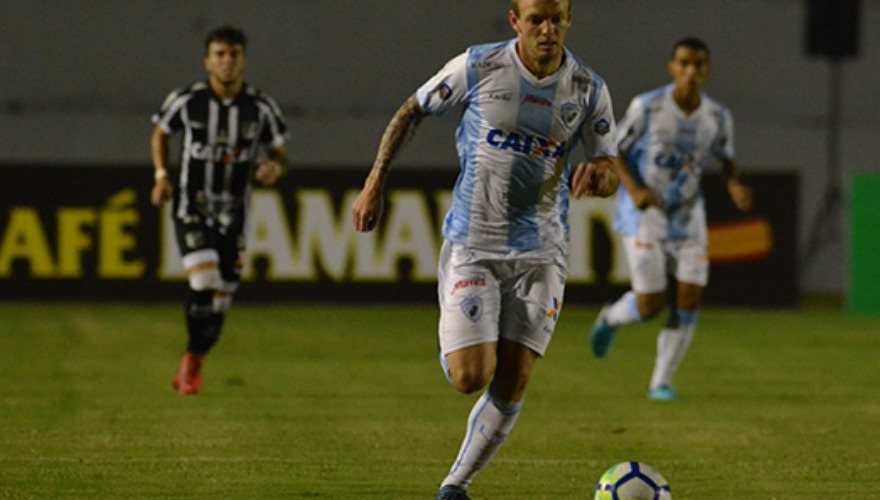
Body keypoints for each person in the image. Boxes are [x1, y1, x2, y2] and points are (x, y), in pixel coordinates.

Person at [352, 1, 619, 497]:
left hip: (542, 251)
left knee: (515, 378)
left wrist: (601, 176)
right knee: (470, 376)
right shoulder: (478, 66)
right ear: (515, 21)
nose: (547, 29)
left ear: (569, 20)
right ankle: (457, 340)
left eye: (556, 18)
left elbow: (609, 168)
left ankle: (455, 485)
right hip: (474, 242)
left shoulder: (588, 89)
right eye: (536, 19)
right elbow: (413, 110)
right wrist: (374, 181)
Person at [589, 37, 753, 402]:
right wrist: (634, 191)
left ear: (707, 71)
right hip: (644, 213)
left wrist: (735, 185)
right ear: (672, 68)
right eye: (684, 64)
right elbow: (614, 150)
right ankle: (611, 318)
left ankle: (660, 381)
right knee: (650, 305)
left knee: (690, 297)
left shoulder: (716, 116)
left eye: (698, 65)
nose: (691, 71)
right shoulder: (648, 107)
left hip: (688, 214)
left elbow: (725, 159)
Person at [150, 25, 290, 395]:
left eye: (234, 54)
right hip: (191, 206)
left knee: (221, 300)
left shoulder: (261, 108)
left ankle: (192, 361)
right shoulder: (186, 100)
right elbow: (161, 133)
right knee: (204, 280)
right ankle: (191, 368)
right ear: (207, 60)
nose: (227, 62)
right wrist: (162, 175)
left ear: (244, 59)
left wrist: (273, 168)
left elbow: (280, 155)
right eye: (220, 54)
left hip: (234, 213)